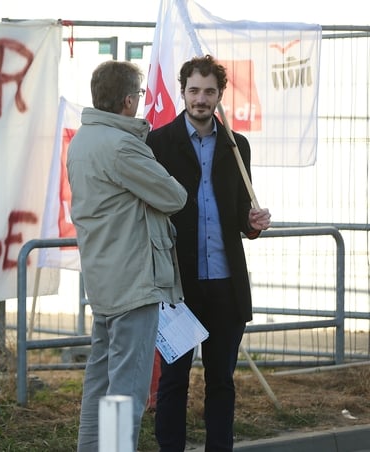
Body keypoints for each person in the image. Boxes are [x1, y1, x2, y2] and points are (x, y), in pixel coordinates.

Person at [147, 54, 272, 452]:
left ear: (220, 95)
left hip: (225, 284)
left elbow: (240, 218)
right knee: (173, 380)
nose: (201, 99)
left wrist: (253, 222)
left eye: (209, 92)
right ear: (182, 92)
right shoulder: (158, 143)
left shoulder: (238, 146)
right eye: (194, 91)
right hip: (177, 287)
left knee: (221, 380)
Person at [66, 60, 187, 452]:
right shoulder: (122, 145)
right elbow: (174, 196)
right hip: (134, 281)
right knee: (127, 392)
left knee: (99, 383)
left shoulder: (83, 140)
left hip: (103, 279)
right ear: (128, 101)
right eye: (139, 96)